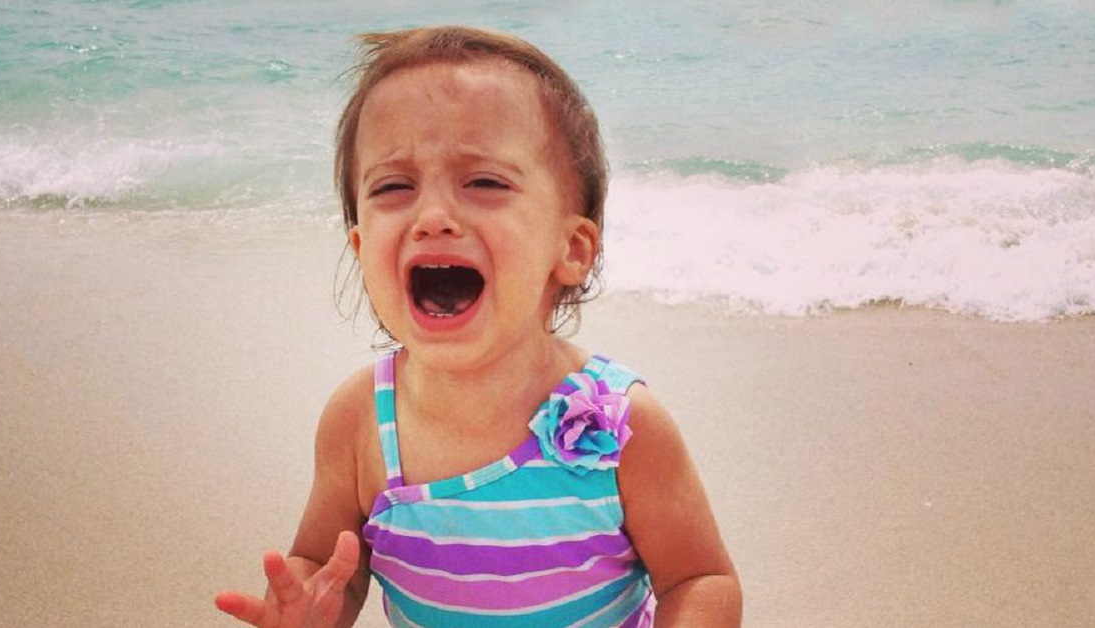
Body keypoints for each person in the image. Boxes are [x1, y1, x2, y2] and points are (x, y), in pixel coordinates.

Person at [214, 26, 740, 627]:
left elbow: (700, 579)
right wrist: (311, 607)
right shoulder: (360, 421)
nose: (433, 216)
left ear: (570, 247)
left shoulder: (622, 424)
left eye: (484, 182)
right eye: (393, 186)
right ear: (360, 249)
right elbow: (331, 565)